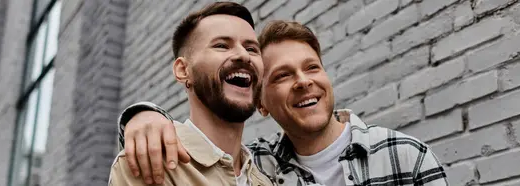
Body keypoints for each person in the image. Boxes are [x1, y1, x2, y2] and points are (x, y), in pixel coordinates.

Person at [119, 20, 449, 185]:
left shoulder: (404, 155)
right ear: (260, 104)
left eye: (312, 68)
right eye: (282, 76)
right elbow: (205, 145)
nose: (303, 81)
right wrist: (143, 116)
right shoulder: (257, 167)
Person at [108, 2, 273, 186]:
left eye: (251, 49)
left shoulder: (265, 180)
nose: (244, 55)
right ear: (183, 70)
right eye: (221, 46)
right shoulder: (151, 161)